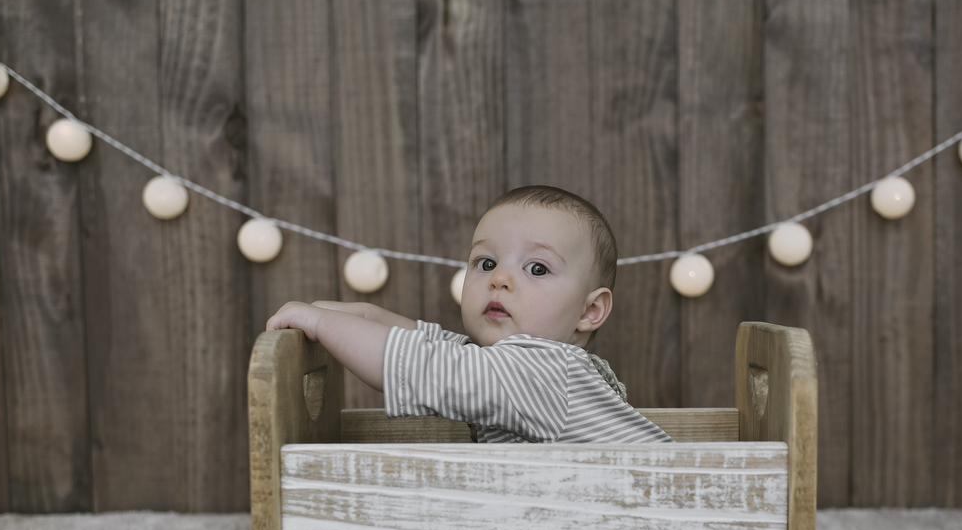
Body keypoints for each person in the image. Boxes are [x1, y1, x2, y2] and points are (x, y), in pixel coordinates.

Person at [266, 185, 673, 444]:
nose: (500, 280)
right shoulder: (508, 367)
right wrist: (351, 312)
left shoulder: (544, 371)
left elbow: (418, 364)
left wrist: (322, 324)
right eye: (486, 263)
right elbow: (427, 342)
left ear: (590, 311)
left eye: (536, 269)